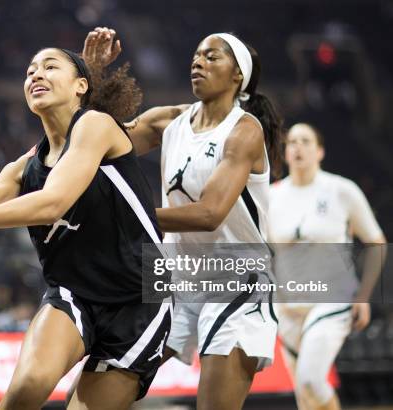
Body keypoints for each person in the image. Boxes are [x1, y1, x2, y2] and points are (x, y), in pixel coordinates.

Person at [0, 47, 172, 410]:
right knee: (26, 387)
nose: (35, 75)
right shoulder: (22, 168)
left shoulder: (96, 125)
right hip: (74, 292)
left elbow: (53, 202)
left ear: (82, 85)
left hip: (139, 299)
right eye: (29, 71)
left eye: (49, 67)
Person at [81, 28, 283, 410]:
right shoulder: (167, 121)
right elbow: (91, 143)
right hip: (174, 280)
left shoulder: (244, 131)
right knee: (100, 392)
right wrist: (89, 76)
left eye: (211, 56)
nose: (197, 61)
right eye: (195, 55)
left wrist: (125, 217)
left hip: (237, 281)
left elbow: (208, 214)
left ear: (237, 74)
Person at [268, 123, 387, 410]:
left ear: (319, 151)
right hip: (288, 308)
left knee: (312, 380)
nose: (297, 146)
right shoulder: (271, 195)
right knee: (304, 398)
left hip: (333, 300)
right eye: (292, 141)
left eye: (305, 141)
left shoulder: (341, 190)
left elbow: (377, 243)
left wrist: (364, 296)